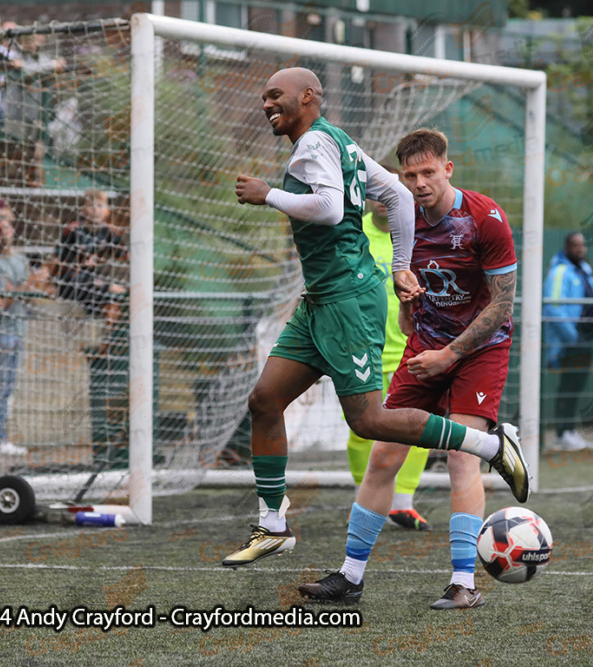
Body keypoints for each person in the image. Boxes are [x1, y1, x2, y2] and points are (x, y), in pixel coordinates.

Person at [224, 68, 528, 571]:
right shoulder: (339, 143)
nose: (266, 104)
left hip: (348, 298)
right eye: (264, 96)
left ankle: (490, 446)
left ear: (308, 97)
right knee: (265, 400)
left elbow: (325, 208)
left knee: (368, 422)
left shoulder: (316, 146)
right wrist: (403, 267)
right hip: (321, 299)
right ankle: (274, 525)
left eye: (275, 95)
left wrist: (268, 194)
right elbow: (395, 194)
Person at [298, 128, 519, 608]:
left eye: (428, 173)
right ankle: (350, 577)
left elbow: (503, 307)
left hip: (478, 351)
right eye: (410, 174)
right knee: (383, 457)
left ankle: (464, 583)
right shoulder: (404, 219)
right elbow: (405, 292)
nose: (419, 183)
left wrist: (451, 354)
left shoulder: (486, 219)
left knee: (462, 456)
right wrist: (406, 302)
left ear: (448, 169)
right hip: (425, 346)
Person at [347, 186, 433, 532]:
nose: (384, 198)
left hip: (411, 348)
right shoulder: (354, 233)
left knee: (418, 428)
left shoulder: (417, 234)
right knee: (361, 427)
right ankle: (363, 497)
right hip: (362, 348)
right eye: (377, 191)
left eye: (391, 191)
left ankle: (403, 504)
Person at [543, 232, 593, 451]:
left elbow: (592, 303)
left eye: (583, 245)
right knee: (568, 386)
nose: (580, 249)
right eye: (575, 245)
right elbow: (552, 306)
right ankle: (562, 433)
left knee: (577, 385)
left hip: (586, 338)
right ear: (567, 247)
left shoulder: (585, 269)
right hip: (571, 341)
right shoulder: (560, 271)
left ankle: (569, 430)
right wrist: (572, 337)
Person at [0, 216, 30, 456]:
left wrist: (26, 287)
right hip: (2, 330)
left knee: (10, 387)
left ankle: (2, 437)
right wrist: (26, 286)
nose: (2, 233)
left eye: (5, 228)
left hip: (20, 328)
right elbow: (4, 298)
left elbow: (31, 291)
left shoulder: (21, 259)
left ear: (13, 230)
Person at [56, 189, 127, 318]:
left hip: (95, 284)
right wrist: (105, 285)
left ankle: (110, 332)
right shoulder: (73, 230)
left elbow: (123, 253)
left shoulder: (109, 232)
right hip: (72, 283)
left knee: (119, 297)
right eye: (90, 205)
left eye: (100, 205)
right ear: (82, 210)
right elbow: (63, 264)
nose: (95, 210)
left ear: (107, 210)